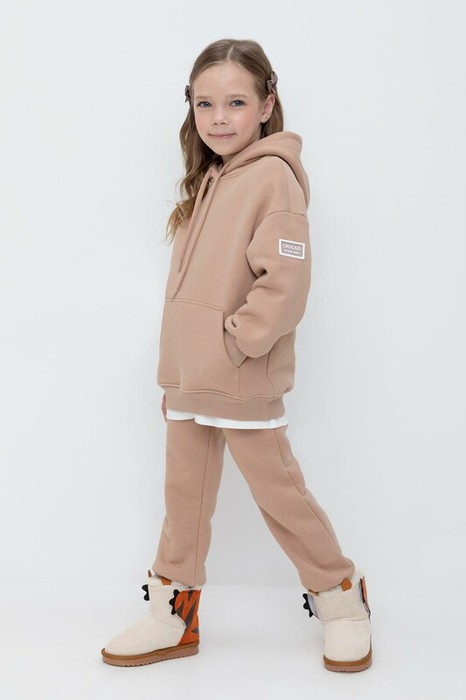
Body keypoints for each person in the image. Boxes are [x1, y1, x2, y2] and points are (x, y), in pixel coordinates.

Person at [101, 38, 372, 673]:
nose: (219, 118)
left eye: (236, 103)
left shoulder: (273, 177)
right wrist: (179, 369)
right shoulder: (211, 178)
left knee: (279, 493)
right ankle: (173, 614)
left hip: (241, 376)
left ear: (267, 105)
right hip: (190, 377)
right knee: (184, 500)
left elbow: (285, 284)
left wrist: (237, 344)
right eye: (205, 104)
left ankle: (341, 600)